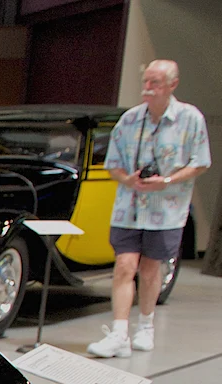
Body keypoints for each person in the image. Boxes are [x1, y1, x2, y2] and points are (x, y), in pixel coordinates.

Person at [87, 60, 210, 359]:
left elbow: (200, 162)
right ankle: (119, 334)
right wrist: (127, 179)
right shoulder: (129, 120)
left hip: (166, 209)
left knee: (151, 268)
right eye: (146, 82)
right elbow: (113, 164)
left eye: (155, 83)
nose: (148, 88)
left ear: (172, 85)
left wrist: (166, 181)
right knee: (124, 265)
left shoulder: (190, 118)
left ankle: (145, 325)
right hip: (129, 207)